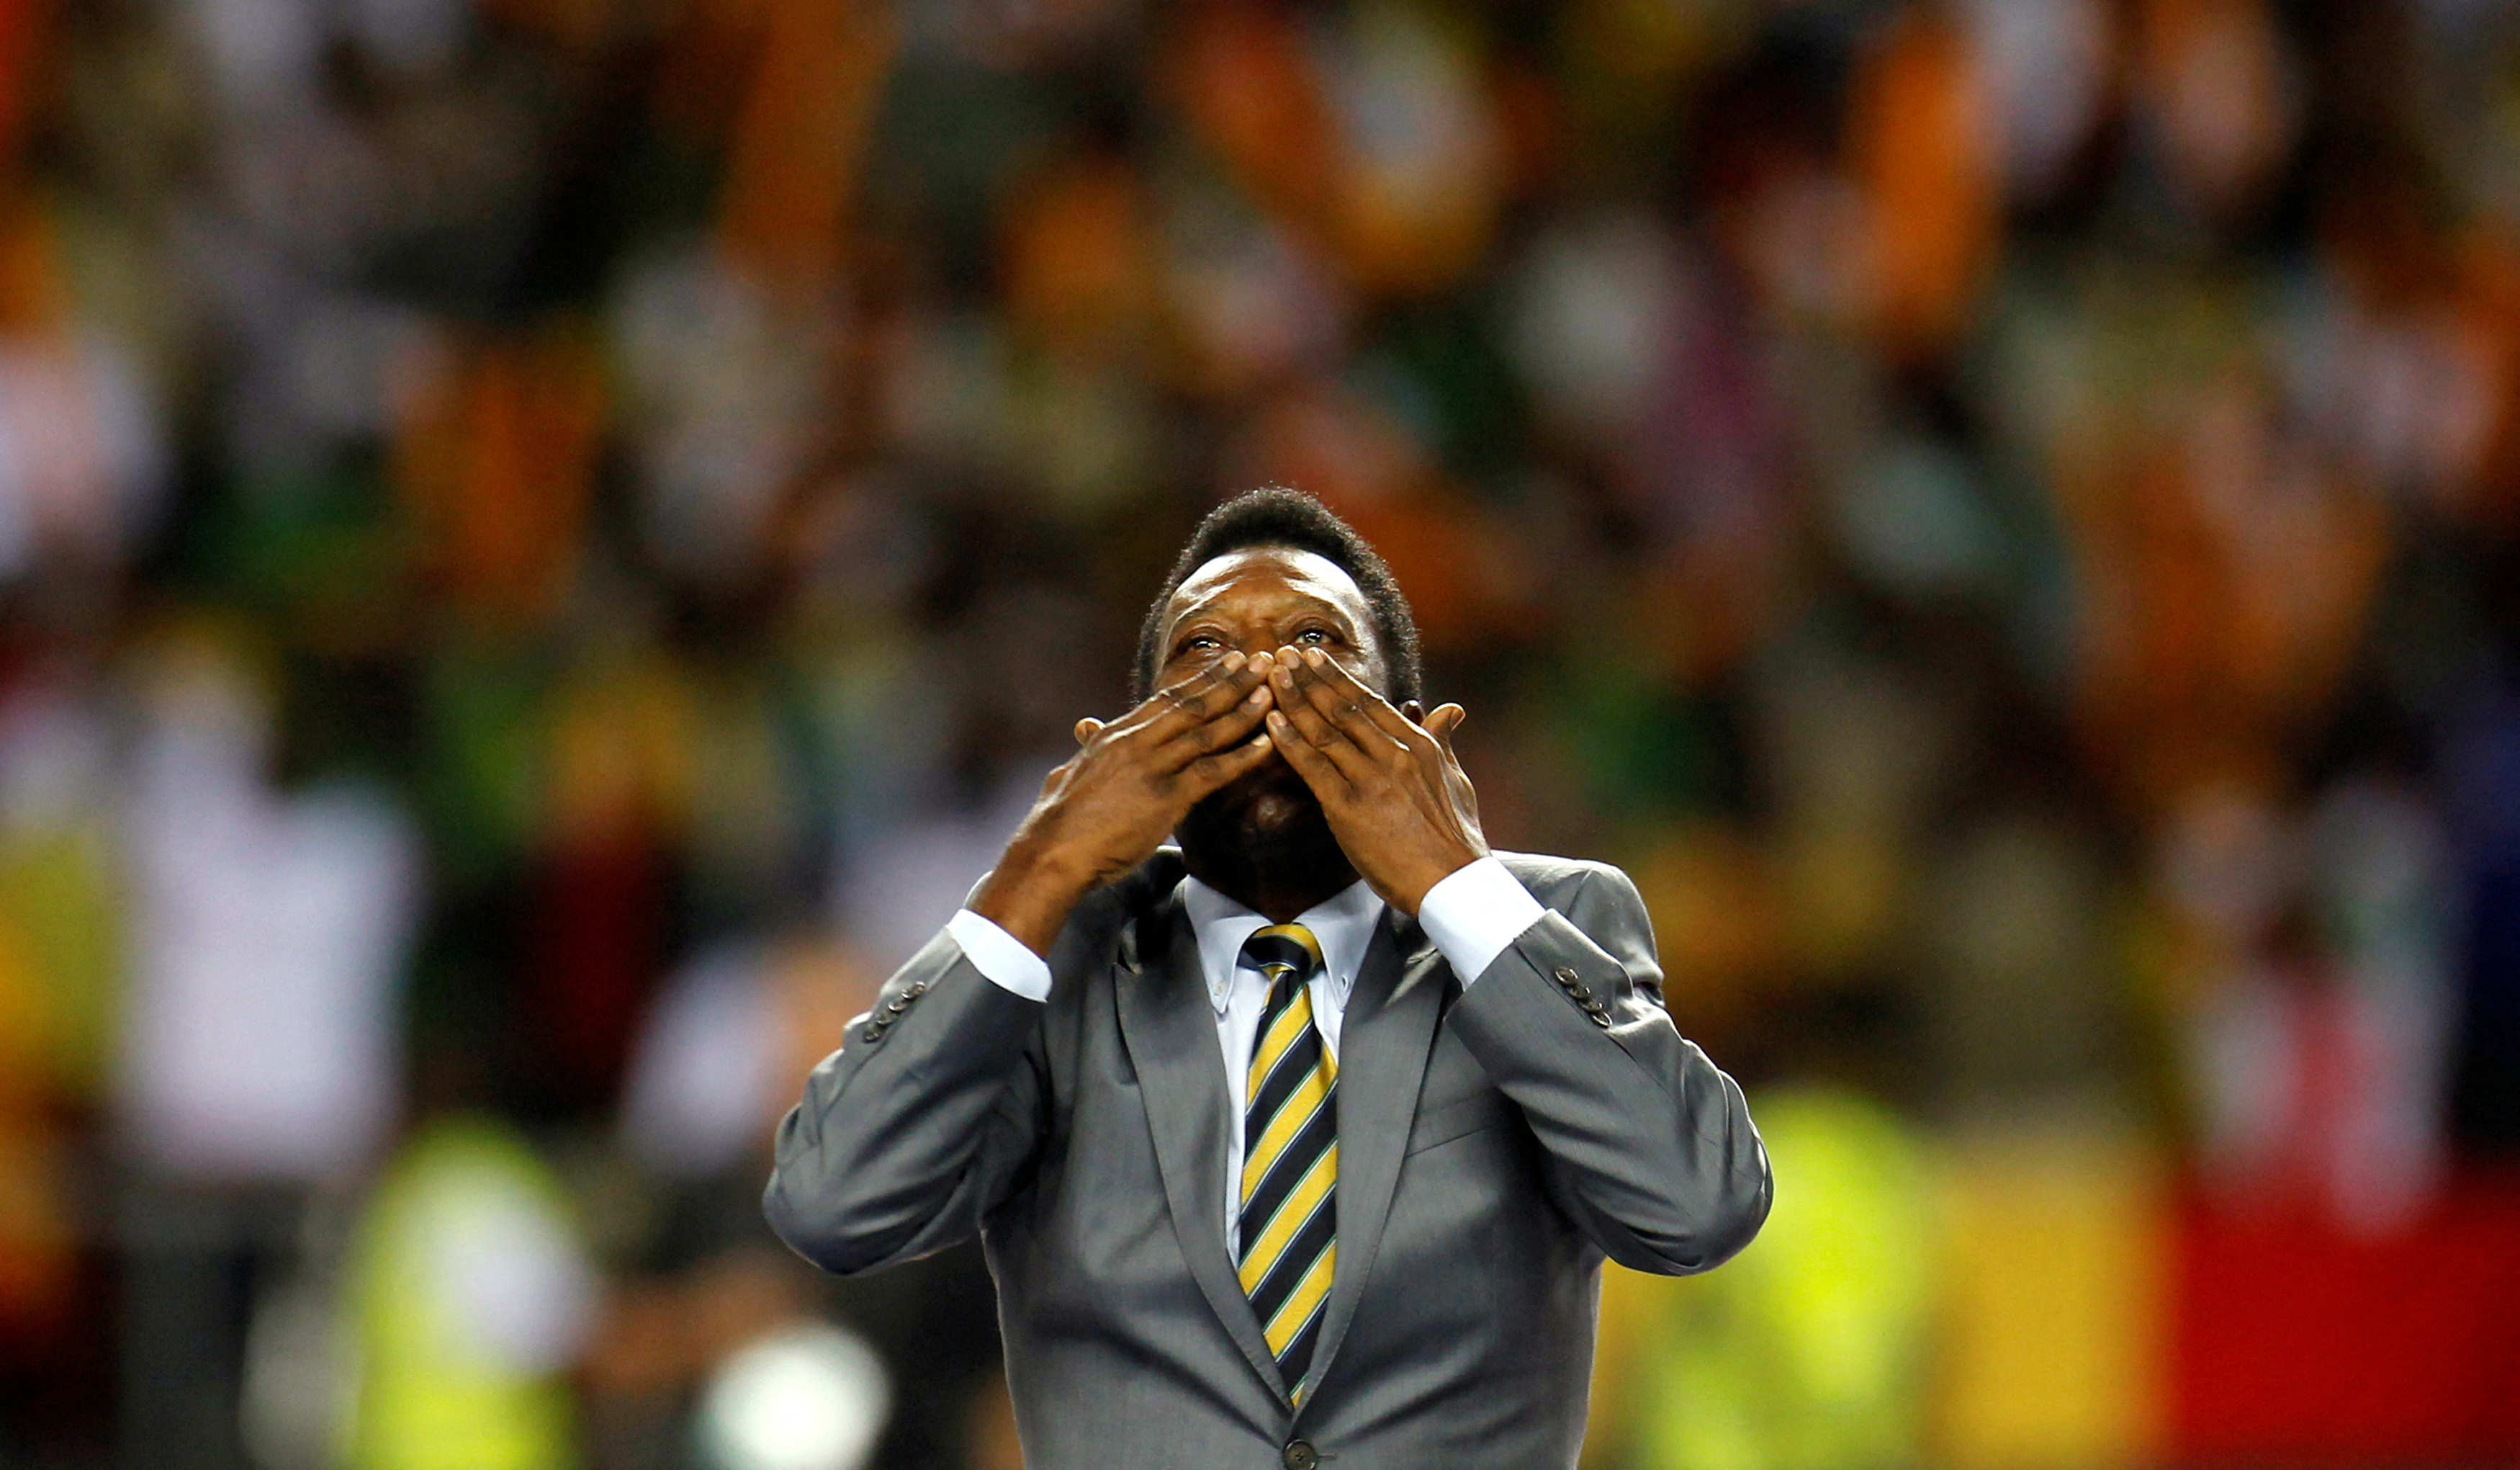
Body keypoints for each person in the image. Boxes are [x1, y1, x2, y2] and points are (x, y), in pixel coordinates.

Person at [766, 488, 1772, 1469]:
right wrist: (1041, 867)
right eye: (1204, 651)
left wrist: (1455, 883)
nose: (1259, 684)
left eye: (1317, 647)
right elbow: (833, 1203)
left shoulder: (1550, 927)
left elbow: (1696, 1207)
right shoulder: (1061, 959)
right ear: (1116, 748)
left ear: (1416, 736)